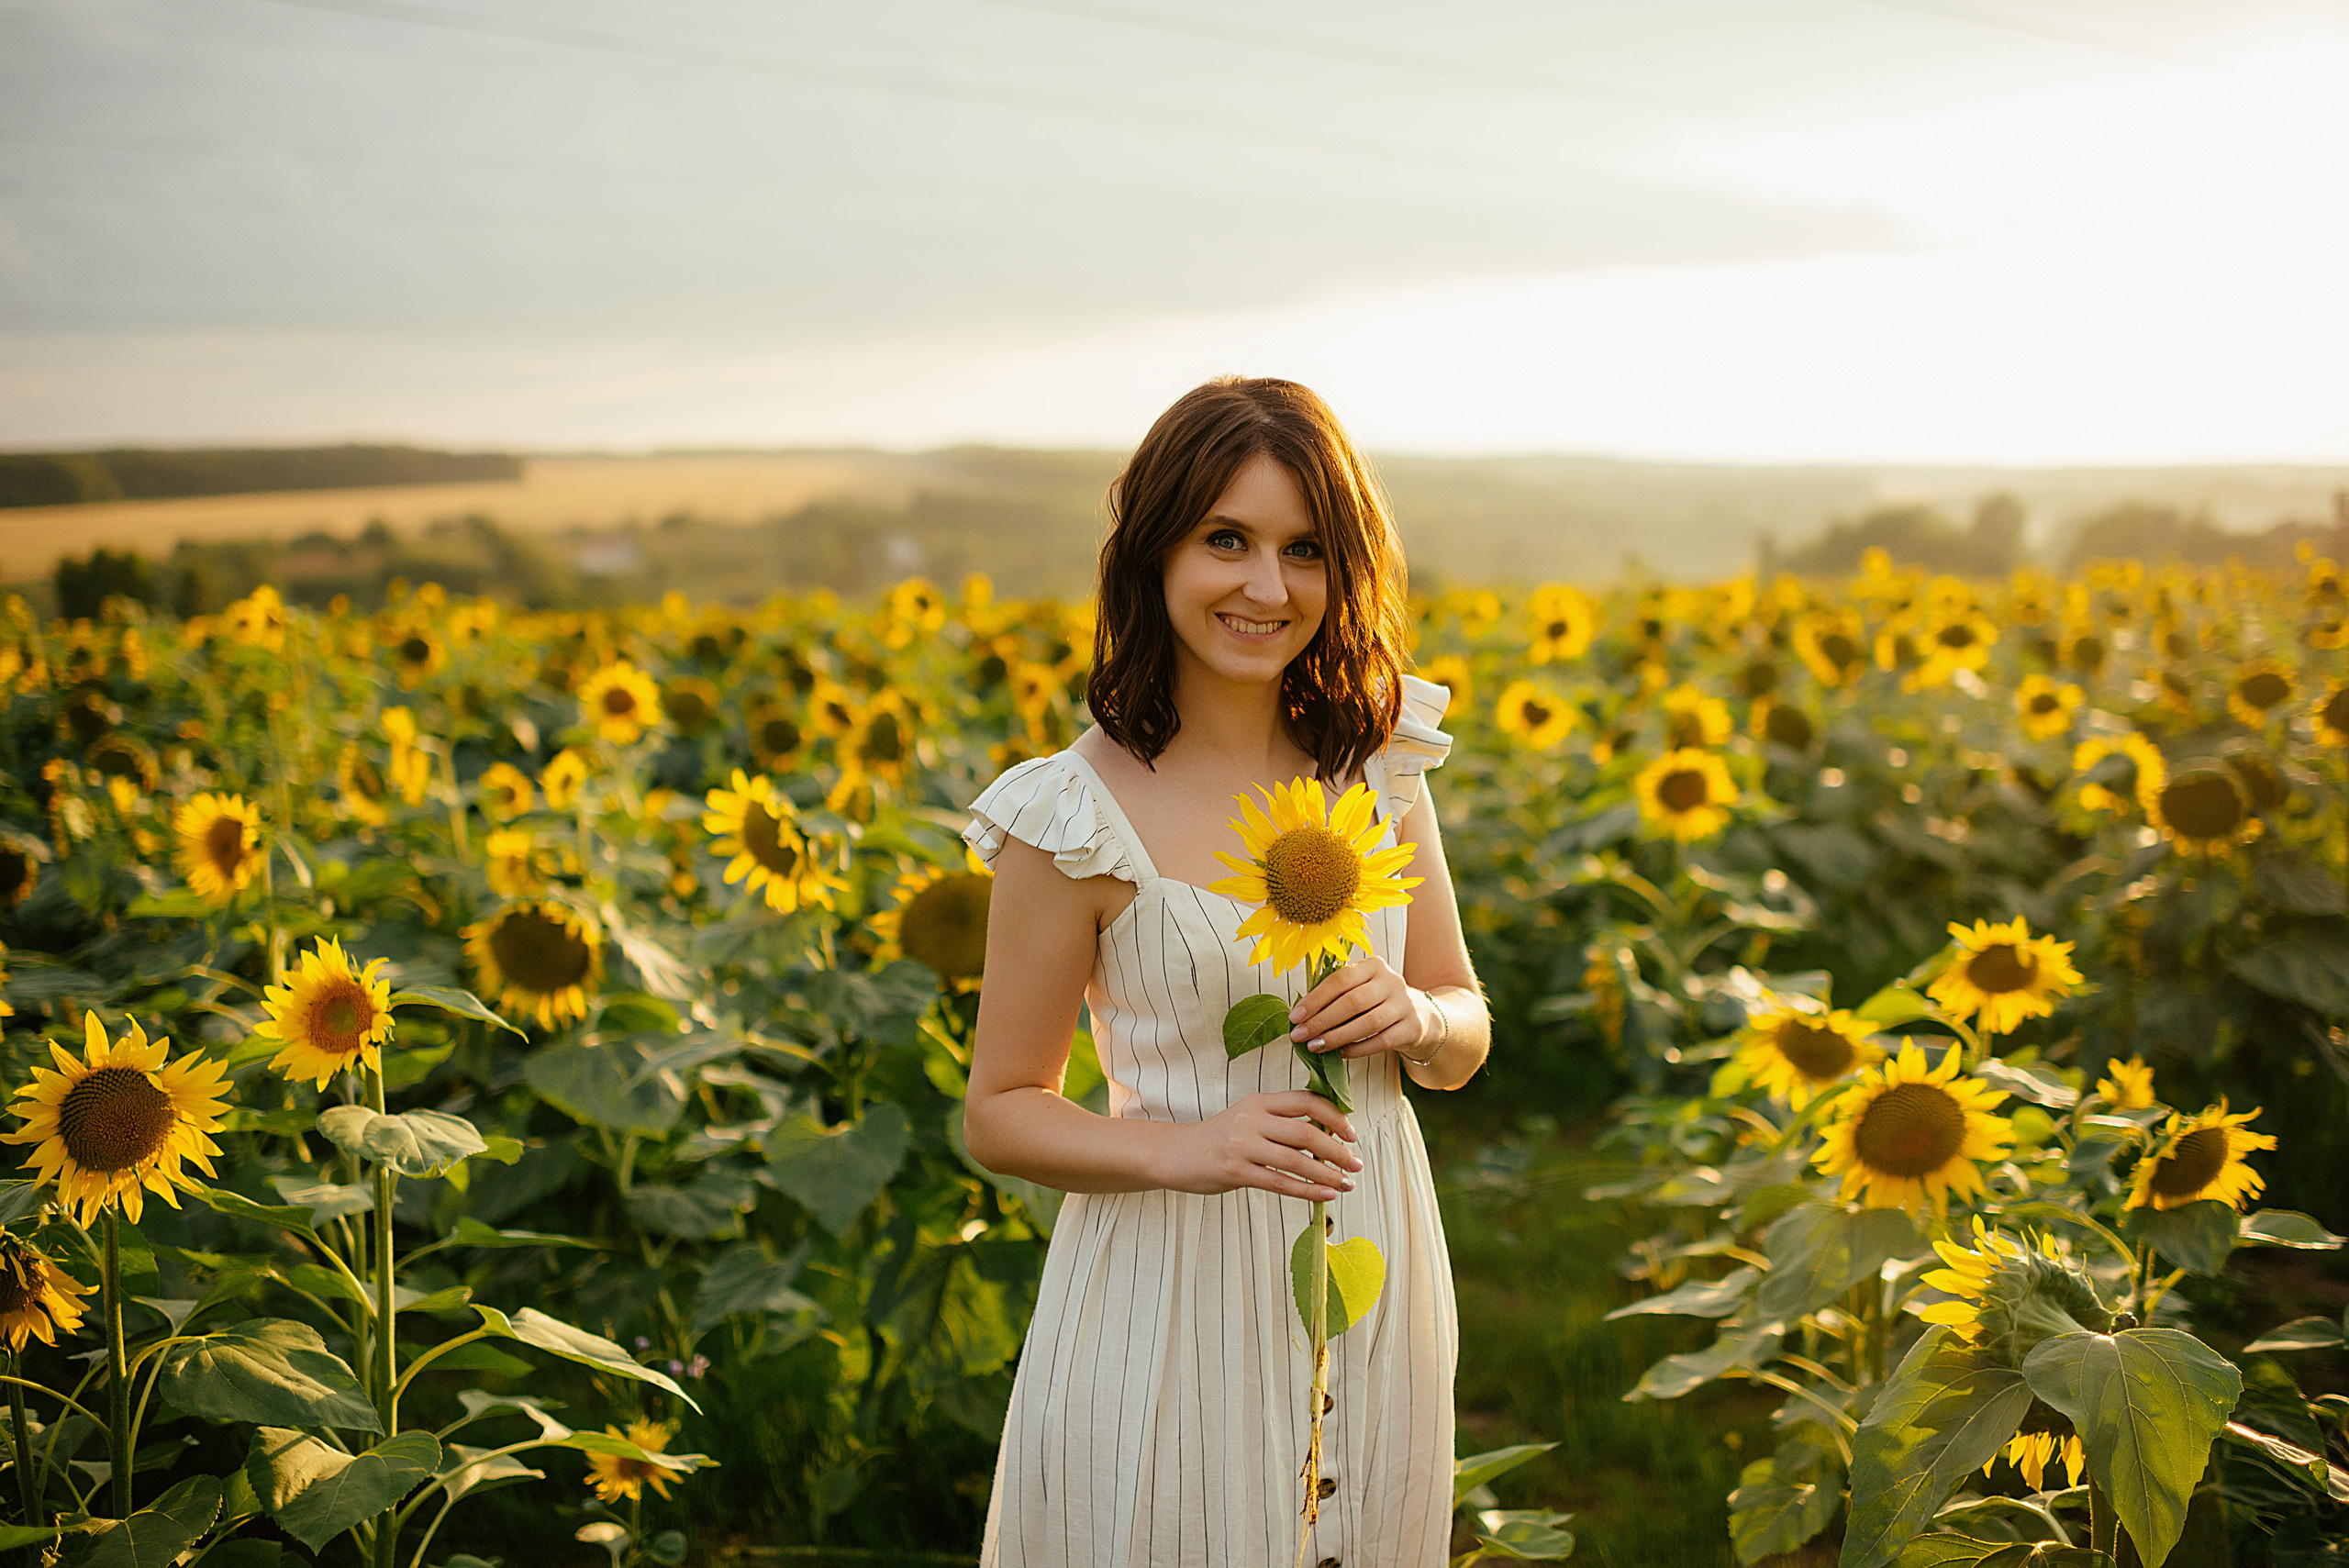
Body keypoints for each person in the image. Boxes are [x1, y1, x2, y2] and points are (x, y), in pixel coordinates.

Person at [960, 375, 1491, 1568]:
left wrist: (1415, 1014)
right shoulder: (1075, 814)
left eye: (1304, 548)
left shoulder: (1379, 768)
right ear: (1154, 551)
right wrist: (1179, 1147)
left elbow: (1466, 1029)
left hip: (1376, 1263)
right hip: (1164, 1292)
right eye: (1227, 540)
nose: (1267, 587)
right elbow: (999, 1110)